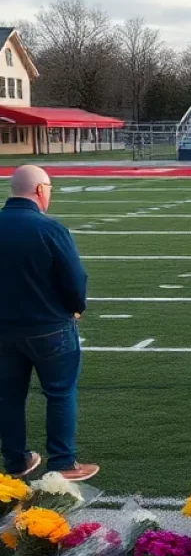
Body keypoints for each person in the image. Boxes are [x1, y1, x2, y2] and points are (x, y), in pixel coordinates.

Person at [0, 166, 98, 482]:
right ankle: (62, 461)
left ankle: (16, 460)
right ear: (41, 190)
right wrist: (75, 308)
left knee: (8, 395)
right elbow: (74, 278)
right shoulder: (50, 229)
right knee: (59, 393)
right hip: (50, 326)